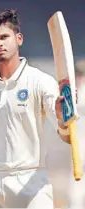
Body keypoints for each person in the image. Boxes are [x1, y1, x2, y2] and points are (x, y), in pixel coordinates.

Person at [0, 9, 72, 208]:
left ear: (19, 38)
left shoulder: (40, 81)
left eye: (4, 37)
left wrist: (62, 118)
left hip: (29, 180)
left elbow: (65, 135)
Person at [69, 60, 85, 209]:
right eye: (78, 75)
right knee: (76, 178)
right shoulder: (71, 92)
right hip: (76, 142)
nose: (80, 78)